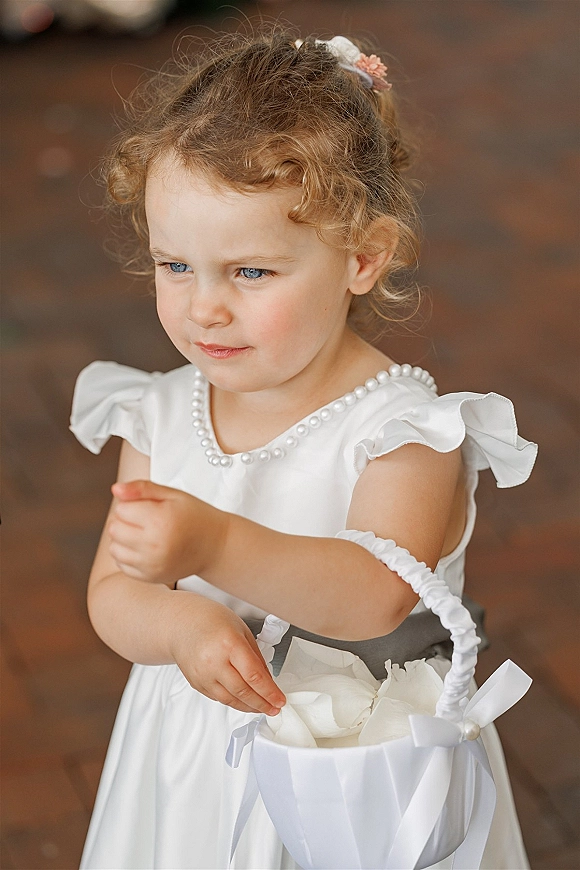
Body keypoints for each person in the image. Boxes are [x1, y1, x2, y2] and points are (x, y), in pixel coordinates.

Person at [70, 31, 537, 870]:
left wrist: (213, 544)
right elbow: (113, 591)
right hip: (189, 772)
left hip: (356, 770)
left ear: (364, 257)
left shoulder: (404, 432)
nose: (203, 307)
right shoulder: (159, 413)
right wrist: (177, 623)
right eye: (174, 264)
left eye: (249, 273)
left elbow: (374, 596)